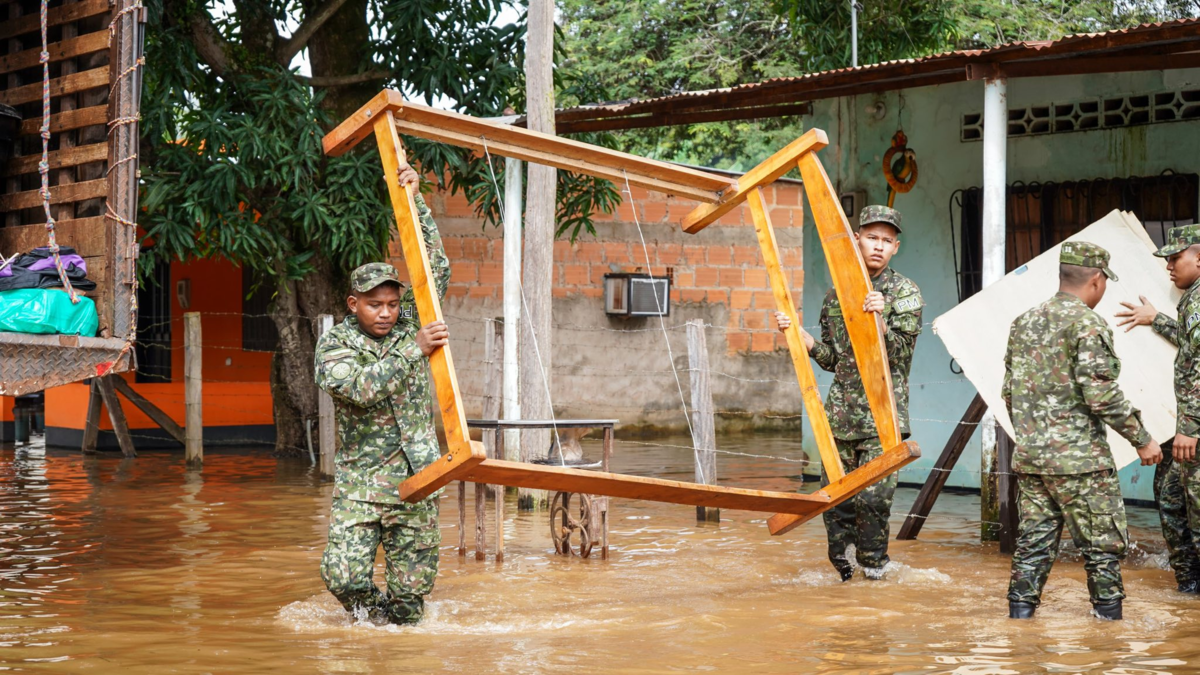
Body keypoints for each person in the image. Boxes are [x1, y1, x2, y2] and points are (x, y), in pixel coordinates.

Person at [313, 160, 451, 625]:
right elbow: (359, 388)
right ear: (354, 304)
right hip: (362, 483)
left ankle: (396, 643)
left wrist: (415, 200)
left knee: (411, 598)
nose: (387, 313)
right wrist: (415, 350)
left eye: (393, 304)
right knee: (342, 577)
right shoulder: (336, 344)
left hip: (417, 479)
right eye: (375, 305)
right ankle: (372, 624)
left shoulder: (409, 323)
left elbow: (434, 271)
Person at [1003, 241, 1160, 621]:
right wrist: (1142, 439)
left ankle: (1019, 628)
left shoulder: (1024, 322)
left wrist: (1033, 436)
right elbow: (1101, 395)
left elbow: (1009, 392)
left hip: (1032, 460)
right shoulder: (1087, 324)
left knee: (1032, 547)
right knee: (1101, 550)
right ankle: (1108, 634)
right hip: (1081, 465)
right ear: (1096, 280)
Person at [775, 205, 922, 581]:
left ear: (896, 247)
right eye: (871, 237)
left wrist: (881, 322)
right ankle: (844, 582)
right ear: (857, 240)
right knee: (835, 504)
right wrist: (804, 340)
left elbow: (901, 355)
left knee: (873, 503)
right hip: (840, 418)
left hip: (882, 419)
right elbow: (834, 360)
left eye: (887, 240)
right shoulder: (834, 296)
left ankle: (874, 576)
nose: (878, 246)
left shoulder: (903, 293)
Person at [1114, 224, 1200, 594]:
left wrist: (1190, 427)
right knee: (1171, 496)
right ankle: (1189, 587)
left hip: (1193, 429)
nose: (1169, 266)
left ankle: (1192, 585)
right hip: (1186, 427)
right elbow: (1191, 343)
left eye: (1175, 258)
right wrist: (1157, 319)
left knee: (1189, 507)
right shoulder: (1192, 299)